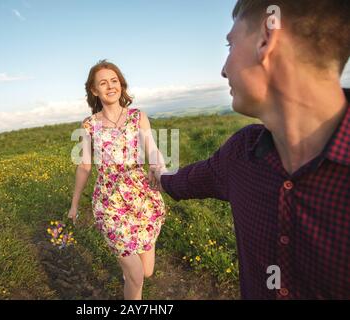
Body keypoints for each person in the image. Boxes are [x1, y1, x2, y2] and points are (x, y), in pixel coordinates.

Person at [150, 0, 350, 299]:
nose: (223, 69)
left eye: (229, 45)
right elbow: (185, 180)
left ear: (266, 40)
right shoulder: (240, 153)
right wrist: (160, 176)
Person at [68, 59, 167, 300]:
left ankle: (134, 262)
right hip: (109, 202)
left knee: (147, 272)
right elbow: (84, 166)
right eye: (103, 83)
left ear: (121, 85)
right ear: (94, 90)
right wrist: (74, 203)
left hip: (142, 197)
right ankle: (130, 277)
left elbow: (152, 149)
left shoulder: (137, 117)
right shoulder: (89, 125)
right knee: (136, 275)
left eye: (114, 81)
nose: (110, 86)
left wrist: (158, 168)